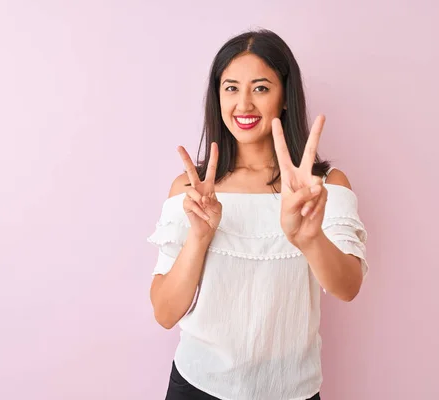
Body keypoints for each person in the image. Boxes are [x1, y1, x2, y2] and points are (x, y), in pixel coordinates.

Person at [148, 29, 369, 400]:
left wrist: (308, 237)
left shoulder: (324, 186)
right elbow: (165, 313)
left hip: (292, 391)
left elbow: (348, 288)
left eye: (261, 88)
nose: (244, 104)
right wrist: (200, 237)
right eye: (231, 88)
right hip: (198, 386)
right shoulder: (192, 189)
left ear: (285, 96)